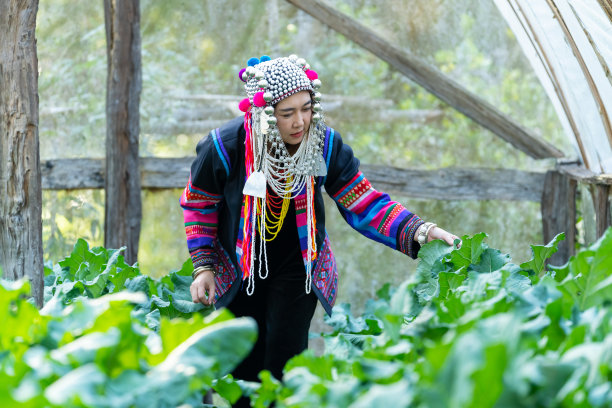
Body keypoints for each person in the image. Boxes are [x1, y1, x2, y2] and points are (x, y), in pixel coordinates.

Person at [181, 54, 460, 405]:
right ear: (262, 113)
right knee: (245, 368)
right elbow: (199, 202)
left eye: (306, 108)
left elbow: (363, 200)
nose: (300, 121)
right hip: (241, 268)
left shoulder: (323, 144)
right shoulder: (225, 147)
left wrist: (420, 230)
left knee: (286, 363)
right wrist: (203, 265)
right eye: (287, 113)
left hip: (300, 267)